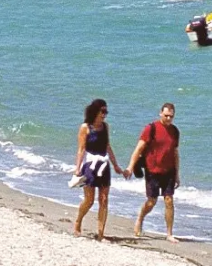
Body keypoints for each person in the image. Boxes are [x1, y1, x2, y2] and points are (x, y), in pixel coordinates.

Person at [130, 102, 181, 240]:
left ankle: (169, 234)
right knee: (152, 201)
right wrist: (130, 167)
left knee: (169, 200)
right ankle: (140, 218)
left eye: (171, 116)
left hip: (169, 170)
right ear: (160, 113)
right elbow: (139, 148)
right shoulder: (151, 128)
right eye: (166, 116)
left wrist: (177, 174)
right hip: (152, 170)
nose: (169, 119)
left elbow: (175, 153)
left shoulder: (175, 131)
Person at [72, 98, 118, 239]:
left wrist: (115, 165)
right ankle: (78, 221)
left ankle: (101, 234)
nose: (104, 114)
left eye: (106, 112)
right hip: (90, 166)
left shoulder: (106, 127)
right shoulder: (85, 127)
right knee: (89, 200)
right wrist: (77, 168)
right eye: (102, 111)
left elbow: (107, 146)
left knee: (104, 199)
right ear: (95, 111)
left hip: (104, 166)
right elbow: (81, 149)